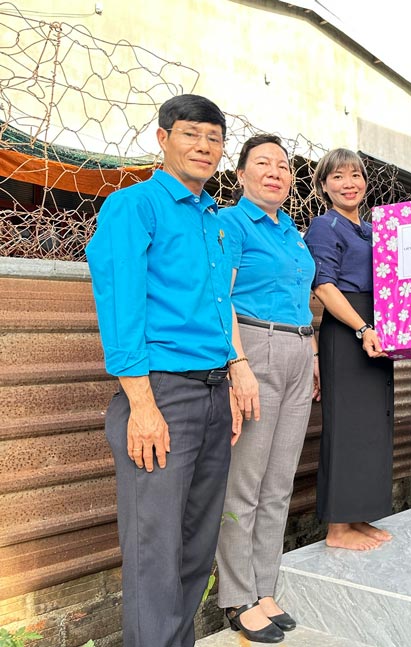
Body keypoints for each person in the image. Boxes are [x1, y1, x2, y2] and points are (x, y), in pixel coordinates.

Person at [86, 94, 241, 646]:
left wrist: (234, 373)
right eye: (191, 134)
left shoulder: (213, 220)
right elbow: (121, 307)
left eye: (214, 138)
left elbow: (218, 306)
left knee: (196, 547)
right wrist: (143, 406)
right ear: (162, 138)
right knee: (155, 553)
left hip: (212, 394)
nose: (204, 147)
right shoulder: (135, 206)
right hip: (161, 397)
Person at [215, 134, 319, 642]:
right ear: (241, 174)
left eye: (283, 165)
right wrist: (237, 363)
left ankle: (264, 587)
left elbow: (301, 298)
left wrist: (314, 354)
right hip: (255, 347)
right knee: (246, 482)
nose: (276, 171)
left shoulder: (292, 233)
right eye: (263, 163)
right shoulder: (229, 224)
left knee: (279, 483)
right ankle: (236, 597)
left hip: (300, 350)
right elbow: (221, 296)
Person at [304, 148, 394, 551]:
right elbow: (323, 286)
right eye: (338, 176)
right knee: (345, 428)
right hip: (348, 327)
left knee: (371, 426)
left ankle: (357, 516)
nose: (349, 183)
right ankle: (337, 529)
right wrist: (362, 328)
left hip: (376, 325)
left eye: (355, 175)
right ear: (324, 185)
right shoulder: (324, 227)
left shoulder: (374, 229)